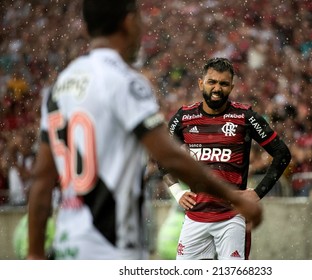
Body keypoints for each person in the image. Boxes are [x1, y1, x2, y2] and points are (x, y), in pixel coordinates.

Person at [27, 0, 262, 260]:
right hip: (112, 246)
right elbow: (169, 156)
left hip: (67, 246)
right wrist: (235, 198)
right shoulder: (125, 81)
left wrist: (35, 254)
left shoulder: (62, 84)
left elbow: (42, 179)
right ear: (129, 21)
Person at [165, 57, 291, 260]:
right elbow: (162, 156)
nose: (217, 88)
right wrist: (176, 192)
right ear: (201, 83)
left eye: (223, 84)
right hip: (195, 217)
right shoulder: (183, 118)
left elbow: (282, 154)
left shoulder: (245, 117)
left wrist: (257, 193)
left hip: (232, 217)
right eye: (212, 82)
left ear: (231, 87)